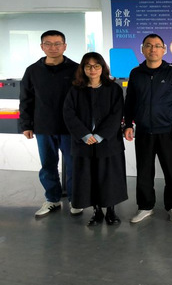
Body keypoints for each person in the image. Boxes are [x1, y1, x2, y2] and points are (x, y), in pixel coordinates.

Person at [124, 34, 172, 223]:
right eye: (149, 45)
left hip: (167, 130)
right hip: (144, 130)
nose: (153, 49)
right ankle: (145, 207)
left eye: (157, 46)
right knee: (144, 171)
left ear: (164, 50)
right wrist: (128, 124)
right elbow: (130, 101)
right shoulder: (136, 73)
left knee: (171, 170)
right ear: (142, 49)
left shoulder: (171, 72)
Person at [19, 30, 82, 217]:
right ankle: (52, 199)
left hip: (70, 128)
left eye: (57, 44)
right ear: (42, 46)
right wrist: (26, 125)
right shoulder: (32, 71)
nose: (53, 47)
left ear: (65, 46)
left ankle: (75, 199)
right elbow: (26, 99)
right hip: (43, 126)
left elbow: (84, 99)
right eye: (48, 44)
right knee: (47, 165)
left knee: (74, 165)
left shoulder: (76, 69)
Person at [63, 53, 127, 226]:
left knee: (109, 178)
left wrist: (100, 135)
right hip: (83, 143)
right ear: (83, 69)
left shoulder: (113, 89)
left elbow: (117, 114)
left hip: (108, 143)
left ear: (102, 68)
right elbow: (68, 113)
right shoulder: (75, 90)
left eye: (96, 66)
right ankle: (96, 211)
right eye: (88, 66)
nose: (92, 69)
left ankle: (111, 211)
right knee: (88, 178)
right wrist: (84, 135)